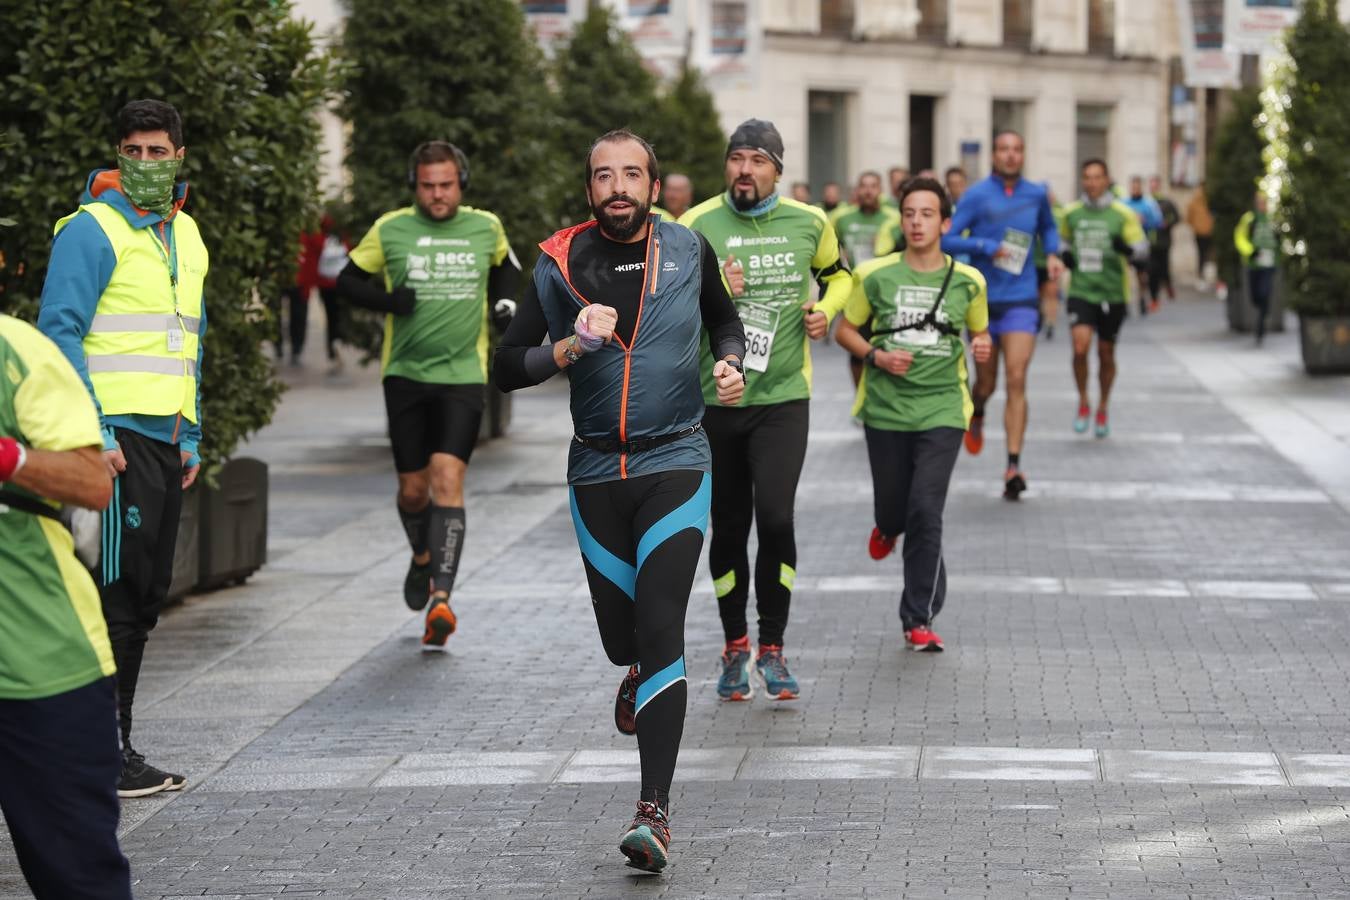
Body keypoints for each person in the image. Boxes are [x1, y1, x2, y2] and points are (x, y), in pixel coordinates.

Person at [494, 130, 746, 874]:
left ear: (653, 183)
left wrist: (729, 361)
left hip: (678, 460)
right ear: (588, 189)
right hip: (597, 473)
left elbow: (723, 320)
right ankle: (636, 670)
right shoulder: (558, 263)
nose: (618, 187)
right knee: (622, 640)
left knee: (662, 623)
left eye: (631, 174)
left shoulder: (688, 249)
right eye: (603, 176)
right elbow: (507, 366)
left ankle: (654, 812)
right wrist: (570, 347)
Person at [38, 98, 206, 797]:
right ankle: (98, 753)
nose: (144, 164)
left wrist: (191, 430)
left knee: (142, 598)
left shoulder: (188, 235)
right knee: (112, 597)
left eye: (157, 152)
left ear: (179, 157)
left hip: (165, 441)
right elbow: (58, 334)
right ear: (117, 154)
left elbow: (188, 339)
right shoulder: (90, 230)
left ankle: (114, 747)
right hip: (114, 443)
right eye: (132, 152)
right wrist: (93, 433)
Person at [680, 119, 853, 702]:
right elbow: (664, 305)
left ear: (777, 168)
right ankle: (734, 647)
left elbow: (839, 276)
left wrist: (826, 310)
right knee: (728, 527)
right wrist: (709, 290)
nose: (744, 170)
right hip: (717, 400)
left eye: (757, 160)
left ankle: (772, 647)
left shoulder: (810, 221)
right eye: (736, 158)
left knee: (776, 519)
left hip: (782, 397)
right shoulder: (696, 225)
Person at [336, 141, 521, 645]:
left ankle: (441, 599)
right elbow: (347, 282)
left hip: (463, 375)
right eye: (427, 186)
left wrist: (504, 302)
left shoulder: (485, 226)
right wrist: (389, 300)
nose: (437, 195)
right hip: (406, 375)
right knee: (413, 490)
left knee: (447, 478)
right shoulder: (391, 228)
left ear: (461, 182)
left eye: (446, 185)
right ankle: (421, 559)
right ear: (414, 186)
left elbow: (507, 266)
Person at [0, 314, 133, 900]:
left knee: (79, 881)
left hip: (41, 665)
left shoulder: (16, 350)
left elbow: (92, 481)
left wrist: (11, 460)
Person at [835, 178, 991, 652]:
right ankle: (886, 524)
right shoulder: (874, 274)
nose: (917, 222)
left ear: (945, 223)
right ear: (900, 220)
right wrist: (878, 357)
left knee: (926, 508)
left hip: (944, 406)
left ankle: (918, 615)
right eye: (909, 213)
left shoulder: (969, 280)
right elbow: (845, 331)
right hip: (885, 409)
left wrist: (982, 347)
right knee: (897, 510)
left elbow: (980, 335)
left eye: (927, 214)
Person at [942, 130, 1062, 500]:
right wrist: (984, 245)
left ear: (1023, 154)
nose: (1010, 156)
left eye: (1016, 149)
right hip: (982, 302)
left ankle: (1013, 464)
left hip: (1022, 299)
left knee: (1016, 377)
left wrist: (1054, 254)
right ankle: (977, 409)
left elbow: (1049, 227)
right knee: (987, 383)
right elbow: (947, 239)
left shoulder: (1036, 194)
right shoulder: (977, 195)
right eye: (1003, 150)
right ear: (994, 155)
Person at [1059, 159, 1148, 438]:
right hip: (1081, 290)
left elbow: (1142, 249)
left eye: (1098, 177)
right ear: (1082, 180)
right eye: (1087, 177)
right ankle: (1084, 400)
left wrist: (1127, 249)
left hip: (1112, 293)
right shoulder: (1071, 213)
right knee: (1080, 347)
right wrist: (1065, 255)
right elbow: (1061, 241)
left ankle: (1103, 406)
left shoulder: (1122, 214)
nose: (1092, 183)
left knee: (1106, 353)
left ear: (1107, 180)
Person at [830, 171, 900, 387]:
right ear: (857, 190)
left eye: (873, 186)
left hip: (886, 292)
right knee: (856, 346)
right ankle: (861, 394)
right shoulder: (842, 218)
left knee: (887, 343)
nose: (868, 191)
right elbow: (828, 250)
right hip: (856, 290)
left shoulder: (893, 218)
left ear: (880, 191)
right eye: (864, 186)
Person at [1235, 192, 1280, 346]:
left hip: (1269, 264)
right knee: (1255, 296)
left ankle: (1261, 325)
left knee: (1264, 292)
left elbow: (1279, 240)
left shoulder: (1273, 219)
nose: (1263, 205)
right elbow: (1240, 237)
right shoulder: (1249, 219)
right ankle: (1263, 309)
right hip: (1254, 264)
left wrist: (1278, 259)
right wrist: (1250, 251)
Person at [1123, 176, 1163, 315]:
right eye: (1132, 187)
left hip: (1142, 244)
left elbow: (1158, 222)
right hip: (1126, 244)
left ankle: (1141, 299)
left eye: (1137, 187)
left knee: (1141, 275)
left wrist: (1145, 221)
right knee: (1125, 274)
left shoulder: (1149, 204)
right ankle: (1125, 302)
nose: (1134, 189)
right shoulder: (1124, 203)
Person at [1147, 175, 1180, 305]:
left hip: (1163, 241)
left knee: (1164, 268)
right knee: (1151, 271)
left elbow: (1176, 217)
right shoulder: (1147, 203)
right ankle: (1154, 298)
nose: (1153, 188)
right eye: (1151, 185)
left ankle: (1168, 285)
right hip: (1149, 243)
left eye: (1155, 185)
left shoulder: (1167, 203)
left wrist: (1167, 223)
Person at [1186, 183, 1215, 283]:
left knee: (1205, 254)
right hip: (1200, 232)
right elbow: (1189, 218)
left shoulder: (1208, 201)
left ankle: (1205, 274)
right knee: (1202, 254)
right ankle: (1201, 275)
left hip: (1208, 231)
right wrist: (1196, 226)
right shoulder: (1195, 202)